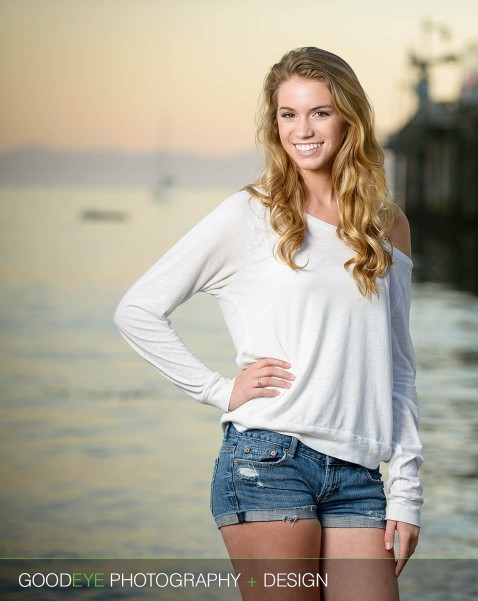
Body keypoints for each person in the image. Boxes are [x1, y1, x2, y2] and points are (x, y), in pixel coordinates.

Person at [114, 47, 423, 601]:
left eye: (319, 112)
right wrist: (219, 390)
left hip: (358, 476)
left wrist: (406, 490)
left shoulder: (387, 223)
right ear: (274, 122)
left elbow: (398, 368)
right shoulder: (250, 214)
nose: (302, 130)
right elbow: (138, 310)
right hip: (269, 463)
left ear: (349, 117)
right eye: (288, 114)